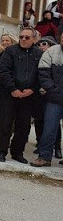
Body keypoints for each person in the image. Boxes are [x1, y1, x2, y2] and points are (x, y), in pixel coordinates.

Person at [0, 27, 42, 164]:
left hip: (28, 96)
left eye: (27, 37)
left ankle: (17, 153)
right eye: (21, 37)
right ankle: (1, 151)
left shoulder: (38, 54)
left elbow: (42, 74)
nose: (23, 39)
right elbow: (3, 71)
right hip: (9, 94)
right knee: (5, 124)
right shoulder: (10, 51)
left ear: (34, 39)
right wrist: (13, 89)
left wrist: (32, 89)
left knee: (23, 126)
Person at [31, 32, 63, 167]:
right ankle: (44, 157)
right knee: (49, 129)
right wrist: (54, 91)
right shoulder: (51, 52)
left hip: (54, 96)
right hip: (54, 99)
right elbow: (43, 74)